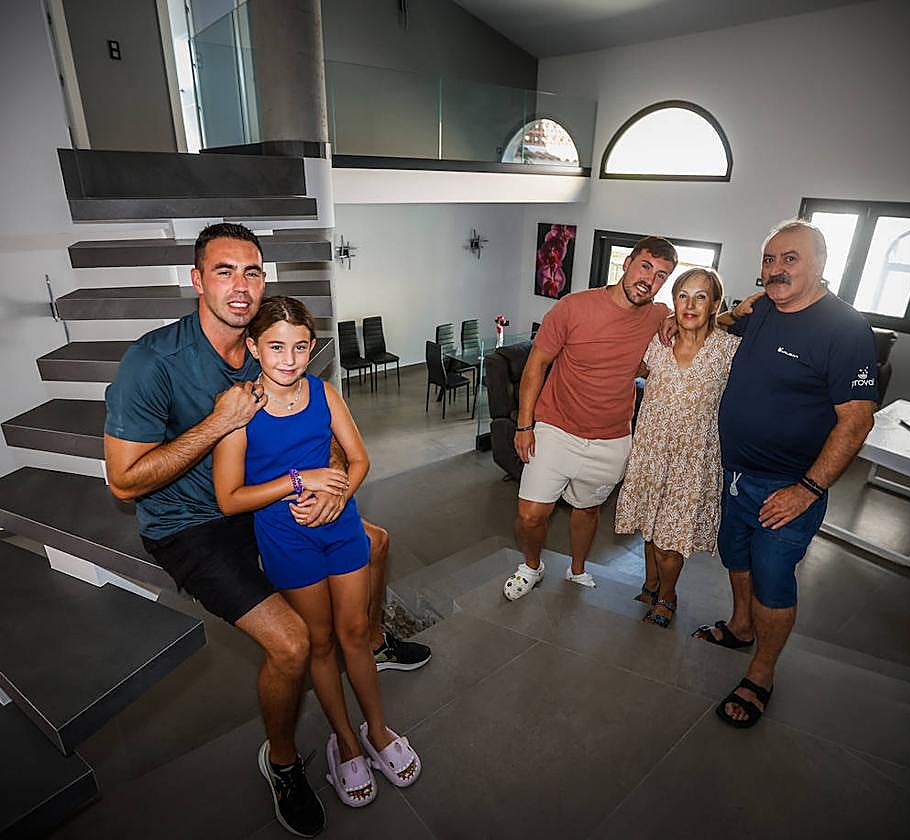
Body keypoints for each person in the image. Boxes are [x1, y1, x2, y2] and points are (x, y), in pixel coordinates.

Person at [102, 223, 426, 838]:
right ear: (196, 281)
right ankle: (282, 761)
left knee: (376, 542)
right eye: (223, 271)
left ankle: (370, 641)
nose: (240, 285)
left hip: (273, 506)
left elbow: (325, 438)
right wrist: (218, 422)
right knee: (295, 644)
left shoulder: (275, 354)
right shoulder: (154, 362)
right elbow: (122, 483)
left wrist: (332, 486)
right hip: (192, 524)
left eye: (251, 271)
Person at [214, 296, 421, 809]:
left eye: (301, 347)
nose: (289, 359)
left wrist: (337, 497)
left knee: (356, 633)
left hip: (342, 528)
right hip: (286, 540)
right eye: (276, 347)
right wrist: (298, 480)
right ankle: (345, 740)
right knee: (321, 643)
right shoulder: (238, 410)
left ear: (312, 348)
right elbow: (229, 498)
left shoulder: (324, 392)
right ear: (253, 347)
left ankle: (377, 730)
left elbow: (359, 460)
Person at [694, 219, 877, 729]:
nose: (776, 269)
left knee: (773, 581)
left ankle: (761, 672)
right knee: (735, 556)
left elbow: (857, 421)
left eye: (790, 259)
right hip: (735, 474)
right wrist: (728, 312)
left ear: (820, 264)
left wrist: (808, 490)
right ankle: (740, 627)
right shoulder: (762, 312)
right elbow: (718, 326)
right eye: (769, 259)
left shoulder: (845, 329)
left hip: (788, 487)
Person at [504, 236, 678, 600]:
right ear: (627, 263)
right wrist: (524, 424)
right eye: (645, 267)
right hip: (555, 428)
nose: (650, 280)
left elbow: (697, 322)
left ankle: (578, 570)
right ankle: (532, 566)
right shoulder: (574, 307)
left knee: (587, 509)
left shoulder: (658, 316)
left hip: (612, 438)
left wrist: (682, 318)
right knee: (530, 514)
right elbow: (536, 364)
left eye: (661, 275)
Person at [614, 268, 740, 627]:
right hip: (651, 454)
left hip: (693, 462)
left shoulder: (729, 350)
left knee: (669, 540)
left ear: (715, 304)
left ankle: (668, 596)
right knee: (651, 529)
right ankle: (651, 585)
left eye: (701, 297)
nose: (690, 305)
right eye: (683, 296)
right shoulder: (657, 344)